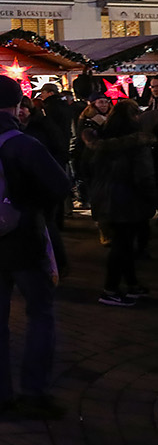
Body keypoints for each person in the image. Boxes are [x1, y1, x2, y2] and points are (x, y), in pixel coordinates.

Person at [0, 74, 72, 418]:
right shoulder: (22, 143)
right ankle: (34, 391)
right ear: (17, 104)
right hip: (23, 241)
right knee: (39, 315)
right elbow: (60, 186)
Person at [86, 99, 154, 306]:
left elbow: (86, 169)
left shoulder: (101, 141)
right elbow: (144, 177)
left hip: (105, 197)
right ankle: (111, 289)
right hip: (127, 199)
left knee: (122, 244)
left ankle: (131, 284)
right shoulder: (138, 144)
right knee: (122, 246)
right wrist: (153, 198)